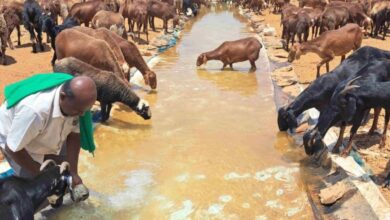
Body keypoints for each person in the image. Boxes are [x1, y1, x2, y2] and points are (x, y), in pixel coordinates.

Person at [0, 75, 97, 188]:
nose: (82, 115)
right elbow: (12, 147)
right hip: (18, 142)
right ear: (62, 96)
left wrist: (73, 172)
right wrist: (41, 174)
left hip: (42, 133)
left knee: (65, 178)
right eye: (78, 111)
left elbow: (74, 135)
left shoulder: (77, 105)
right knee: (39, 189)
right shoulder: (35, 112)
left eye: (84, 111)